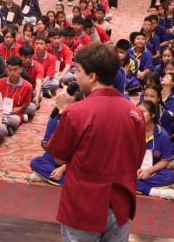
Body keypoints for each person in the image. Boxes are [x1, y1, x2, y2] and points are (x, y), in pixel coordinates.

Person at [47, 43, 145, 241]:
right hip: (120, 203)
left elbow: (59, 158)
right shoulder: (135, 112)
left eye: (78, 71)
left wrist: (64, 111)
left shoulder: (76, 112)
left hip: (84, 204)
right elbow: (137, 158)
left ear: (92, 76)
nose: (76, 76)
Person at [136, 101, 174, 200]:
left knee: (171, 178)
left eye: (143, 112)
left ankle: (137, 185)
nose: (139, 115)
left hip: (152, 169)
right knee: (118, 174)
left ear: (153, 115)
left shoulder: (163, 135)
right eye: (137, 112)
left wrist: (149, 171)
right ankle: (154, 192)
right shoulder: (132, 130)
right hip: (134, 169)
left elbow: (165, 161)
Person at [0, 57, 36, 129]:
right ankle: (7, 124)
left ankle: (3, 123)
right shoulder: (0, 82)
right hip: (2, 110)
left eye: (15, 70)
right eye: (10, 70)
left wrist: (19, 108)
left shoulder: (28, 86)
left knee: (17, 119)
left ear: (21, 69)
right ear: (6, 70)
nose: (12, 73)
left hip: (16, 111)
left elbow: (27, 102)